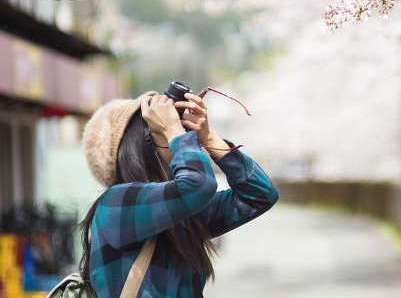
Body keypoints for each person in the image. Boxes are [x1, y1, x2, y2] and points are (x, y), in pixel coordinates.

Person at [78, 91, 278, 297]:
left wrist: (208, 138)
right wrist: (173, 130)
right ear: (138, 146)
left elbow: (260, 194)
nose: (181, 133)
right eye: (161, 127)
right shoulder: (116, 204)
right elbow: (198, 184)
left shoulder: (179, 212)